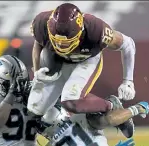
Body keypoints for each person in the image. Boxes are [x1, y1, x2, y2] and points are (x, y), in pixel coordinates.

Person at [27, 2, 136, 137]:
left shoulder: (97, 30)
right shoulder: (41, 23)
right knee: (34, 111)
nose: (61, 45)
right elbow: (38, 43)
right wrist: (37, 71)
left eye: (66, 42)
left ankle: (112, 105)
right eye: (57, 41)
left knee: (70, 102)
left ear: (80, 31)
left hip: (86, 60)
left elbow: (128, 44)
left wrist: (128, 81)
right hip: (57, 60)